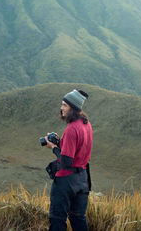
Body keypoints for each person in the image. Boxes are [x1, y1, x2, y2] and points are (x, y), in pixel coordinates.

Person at [44, 89, 93, 231]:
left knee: (57, 218)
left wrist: (53, 147)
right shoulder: (86, 124)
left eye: (64, 105)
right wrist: (61, 143)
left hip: (66, 181)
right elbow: (77, 150)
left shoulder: (72, 129)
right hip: (82, 179)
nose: (61, 108)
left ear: (72, 108)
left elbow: (66, 162)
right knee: (78, 217)